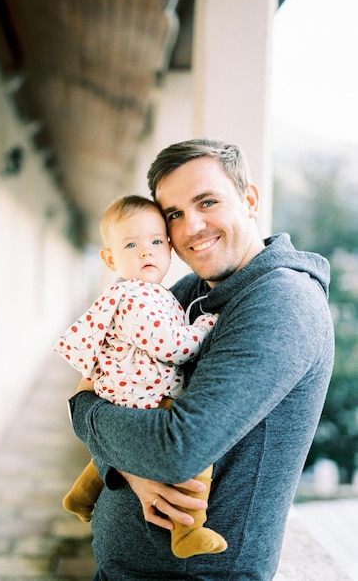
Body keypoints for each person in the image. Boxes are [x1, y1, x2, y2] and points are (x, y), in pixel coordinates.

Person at [68, 138, 334, 580]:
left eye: (207, 202)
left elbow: (175, 449)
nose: (191, 227)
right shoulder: (193, 290)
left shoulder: (282, 303)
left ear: (248, 199)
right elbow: (104, 374)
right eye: (174, 214)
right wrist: (133, 470)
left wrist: (84, 414)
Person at [52, 194, 227, 558]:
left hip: (122, 391)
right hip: (143, 396)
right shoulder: (138, 297)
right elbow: (173, 347)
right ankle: (187, 532)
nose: (147, 252)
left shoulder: (140, 292)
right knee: (201, 459)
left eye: (156, 241)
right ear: (110, 258)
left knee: (113, 451)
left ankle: (81, 497)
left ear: (169, 247)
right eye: (132, 244)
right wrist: (205, 325)